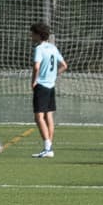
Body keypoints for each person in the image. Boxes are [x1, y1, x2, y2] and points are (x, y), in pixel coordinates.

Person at [30, 20, 63, 157]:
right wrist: (53, 75)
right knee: (48, 115)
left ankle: (47, 148)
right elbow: (64, 65)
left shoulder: (39, 49)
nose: (31, 36)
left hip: (42, 85)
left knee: (39, 117)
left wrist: (33, 81)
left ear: (38, 35)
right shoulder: (53, 48)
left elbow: (36, 66)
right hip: (51, 85)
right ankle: (49, 148)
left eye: (32, 34)